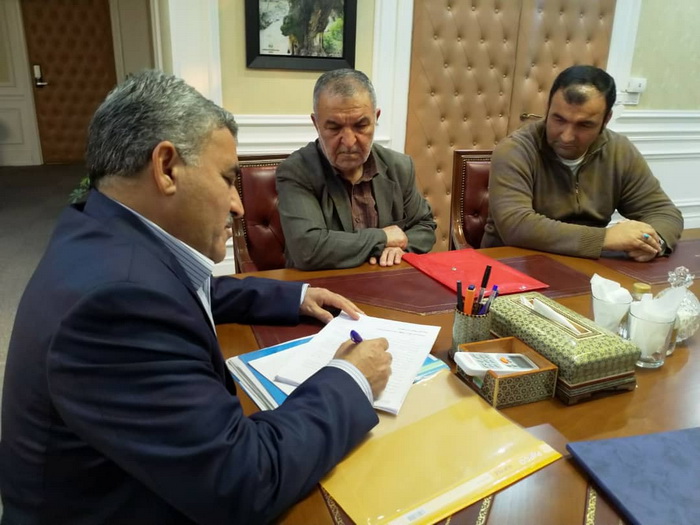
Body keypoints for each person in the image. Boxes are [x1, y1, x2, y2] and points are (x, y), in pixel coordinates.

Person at [0, 70, 393, 524]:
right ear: (166, 167)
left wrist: (295, 297)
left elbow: (188, 288)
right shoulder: (118, 305)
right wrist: (350, 378)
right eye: (227, 179)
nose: (238, 205)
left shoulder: (102, 231)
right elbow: (245, 482)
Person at [481, 65, 683, 261]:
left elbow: (663, 212)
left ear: (606, 120)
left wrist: (652, 242)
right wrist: (604, 238)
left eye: (584, 125)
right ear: (547, 108)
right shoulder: (515, 149)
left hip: (588, 265)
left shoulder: (619, 150)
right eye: (559, 120)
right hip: (513, 263)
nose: (567, 136)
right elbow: (516, 226)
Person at [276, 69, 436, 270]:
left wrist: (398, 248)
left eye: (360, 126)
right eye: (334, 128)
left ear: (376, 118)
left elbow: (424, 226)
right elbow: (308, 249)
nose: (349, 141)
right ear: (316, 124)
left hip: (386, 280)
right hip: (323, 284)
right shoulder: (296, 171)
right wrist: (383, 238)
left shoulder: (399, 167)